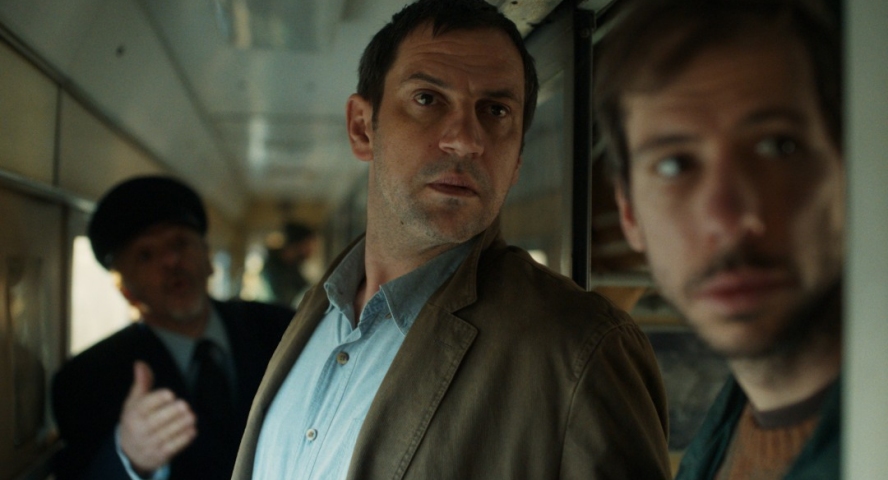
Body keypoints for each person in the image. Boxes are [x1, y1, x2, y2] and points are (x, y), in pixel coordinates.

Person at [232, 1, 671, 479]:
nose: (465, 140)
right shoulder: (318, 310)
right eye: (428, 99)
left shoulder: (581, 349)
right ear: (362, 128)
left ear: (517, 158)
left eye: (496, 110)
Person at [594, 0, 843, 477]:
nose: (726, 218)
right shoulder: (724, 437)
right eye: (674, 165)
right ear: (630, 214)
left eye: (777, 146)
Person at [51, 176, 294, 480]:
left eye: (180, 243)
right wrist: (129, 458)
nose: (170, 261)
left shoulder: (283, 330)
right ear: (126, 291)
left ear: (208, 258)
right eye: (145, 255)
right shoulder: (86, 382)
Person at [261, 222, 316, 308]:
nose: (312, 250)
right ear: (297, 244)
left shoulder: (292, 266)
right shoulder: (273, 269)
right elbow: (289, 302)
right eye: (308, 244)